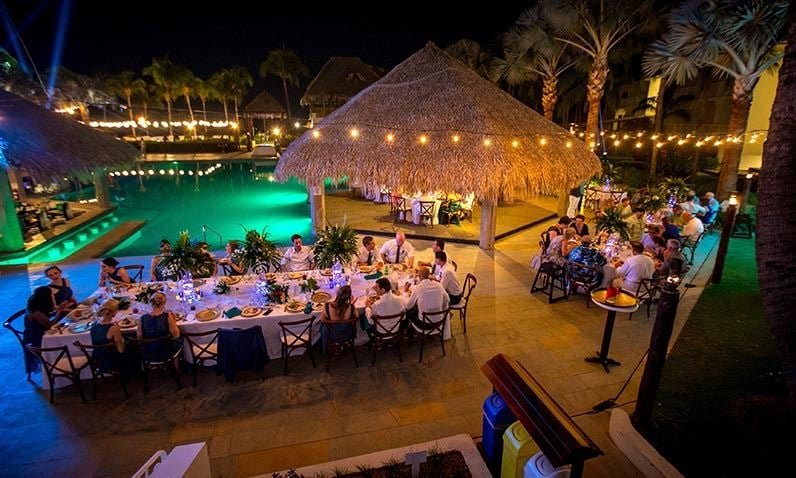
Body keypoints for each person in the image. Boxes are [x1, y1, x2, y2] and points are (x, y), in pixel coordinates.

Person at [23, 286, 68, 373]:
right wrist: (60, 311)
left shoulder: (35, 303)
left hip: (37, 331)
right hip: (37, 338)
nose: (53, 296)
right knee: (64, 336)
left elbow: (48, 317)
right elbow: (50, 325)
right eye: (51, 295)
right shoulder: (36, 313)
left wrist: (58, 309)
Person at [137, 292, 182, 364]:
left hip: (148, 353)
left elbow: (139, 338)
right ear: (164, 303)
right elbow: (176, 335)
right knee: (181, 339)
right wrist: (174, 321)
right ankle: (177, 366)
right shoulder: (167, 316)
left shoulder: (142, 319)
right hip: (166, 352)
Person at [402, 266, 449, 332]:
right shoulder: (439, 285)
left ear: (420, 276)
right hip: (439, 322)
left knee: (409, 311)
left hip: (425, 324)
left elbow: (408, 306)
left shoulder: (418, 288)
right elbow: (447, 299)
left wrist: (405, 292)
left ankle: (407, 332)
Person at [90, 298, 126, 372]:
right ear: (114, 312)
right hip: (110, 361)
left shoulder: (93, 326)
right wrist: (123, 340)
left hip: (97, 360)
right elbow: (121, 350)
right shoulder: (114, 328)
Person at [320, 285, 358, 351]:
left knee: (322, 326)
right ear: (349, 297)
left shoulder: (327, 306)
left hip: (332, 334)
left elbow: (322, 320)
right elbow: (356, 317)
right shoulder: (351, 307)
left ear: (337, 294)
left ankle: (325, 346)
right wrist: (351, 304)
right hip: (347, 334)